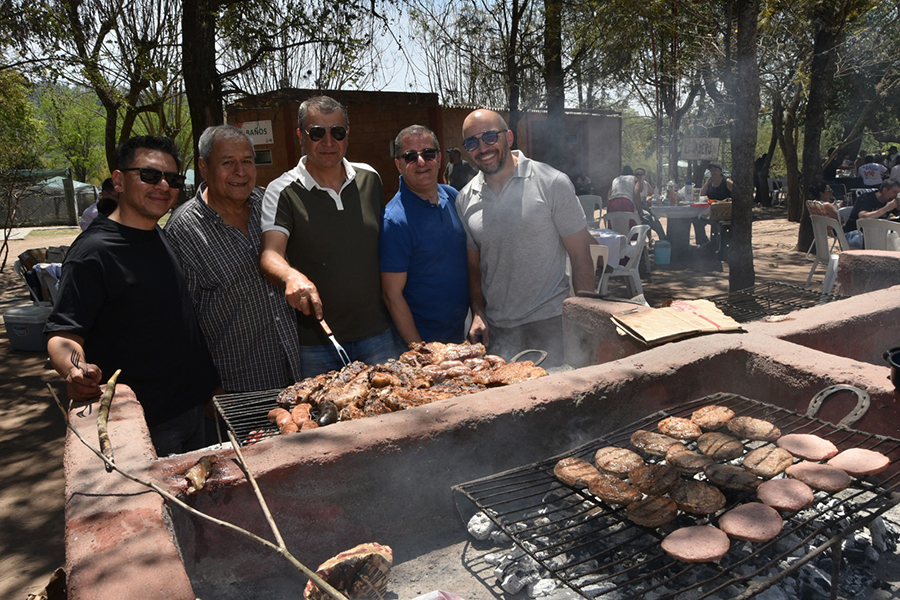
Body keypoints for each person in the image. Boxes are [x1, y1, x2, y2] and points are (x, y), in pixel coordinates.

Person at [44, 136, 220, 456]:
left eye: (173, 179)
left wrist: (208, 389)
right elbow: (64, 333)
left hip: (194, 410)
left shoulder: (158, 234)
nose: (163, 186)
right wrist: (75, 370)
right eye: (150, 175)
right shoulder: (93, 253)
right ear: (118, 180)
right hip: (146, 423)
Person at [260, 95, 399, 377]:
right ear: (301, 136)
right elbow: (270, 254)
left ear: (347, 134)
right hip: (317, 344)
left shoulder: (370, 178)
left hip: (378, 335)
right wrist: (291, 276)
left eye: (337, 132)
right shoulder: (282, 190)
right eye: (317, 133)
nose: (328, 142)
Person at [165, 125, 303, 394]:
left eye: (247, 161)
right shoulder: (183, 232)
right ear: (203, 167)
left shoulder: (270, 205)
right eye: (228, 163)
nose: (241, 172)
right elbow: (180, 325)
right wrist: (207, 390)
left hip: (296, 376)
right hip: (235, 388)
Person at [454, 109, 594, 367]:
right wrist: (478, 313)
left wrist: (584, 320)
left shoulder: (551, 182)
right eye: (472, 142)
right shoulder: (465, 199)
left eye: (489, 137)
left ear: (508, 137)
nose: (482, 148)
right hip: (496, 332)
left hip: (550, 324)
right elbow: (474, 267)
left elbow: (580, 254)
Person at [380, 125, 469, 345]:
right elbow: (392, 295)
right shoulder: (395, 220)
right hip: (423, 342)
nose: (421, 162)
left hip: (460, 336)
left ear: (439, 158)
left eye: (428, 153)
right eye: (411, 156)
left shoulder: (453, 197)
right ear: (399, 165)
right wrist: (421, 351)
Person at [843, 179, 900, 248]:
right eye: (894, 192)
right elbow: (862, 217)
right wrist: (885, 209)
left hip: (877, 233)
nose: (895, 195)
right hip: (856, 233)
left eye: (898, 193)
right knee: (880, 242)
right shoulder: (866, 198)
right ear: (885, 190)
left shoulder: (889, 200)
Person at [633, 168, 666, 241]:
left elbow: (653, 193)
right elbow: (636, 201)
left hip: (644, 207)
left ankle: (662, 238)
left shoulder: (645, 184)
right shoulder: (633, 185)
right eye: (636, 175)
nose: (638, 176)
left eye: (640, 175)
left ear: (644, 176)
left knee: (653, 218)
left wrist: (650, 197)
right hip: (636, 208)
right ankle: (651, 238)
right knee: (648, 218)